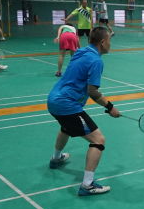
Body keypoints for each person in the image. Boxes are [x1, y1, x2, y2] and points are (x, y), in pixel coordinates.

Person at [46, 27, 120, 196]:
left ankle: (56, 158)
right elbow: (92, 92)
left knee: (66, 127)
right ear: (103, 42)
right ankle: (87, 185)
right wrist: (110, 107)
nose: (110, 44)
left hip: (53, 99)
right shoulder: (96, 61)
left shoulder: (81, 51)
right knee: (98, 140)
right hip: (67, 104)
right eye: (109, 40)